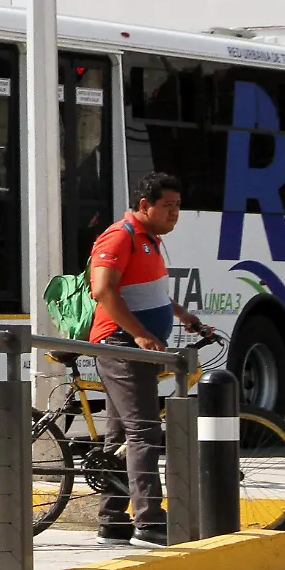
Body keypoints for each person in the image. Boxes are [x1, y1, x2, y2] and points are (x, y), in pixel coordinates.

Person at [88, 171, 204, 548]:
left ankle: (111, 518)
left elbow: (146, 292)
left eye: (178, 206)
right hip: (121, 345)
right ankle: (149, 521)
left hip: (136, 346)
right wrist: (138, 334)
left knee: (122, 434)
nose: (175, 214)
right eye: (168, 206)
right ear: (144, 205)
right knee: (144, 432)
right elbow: (102, 289)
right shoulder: (120, 235)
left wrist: (181, 314)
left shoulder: (148, 239)